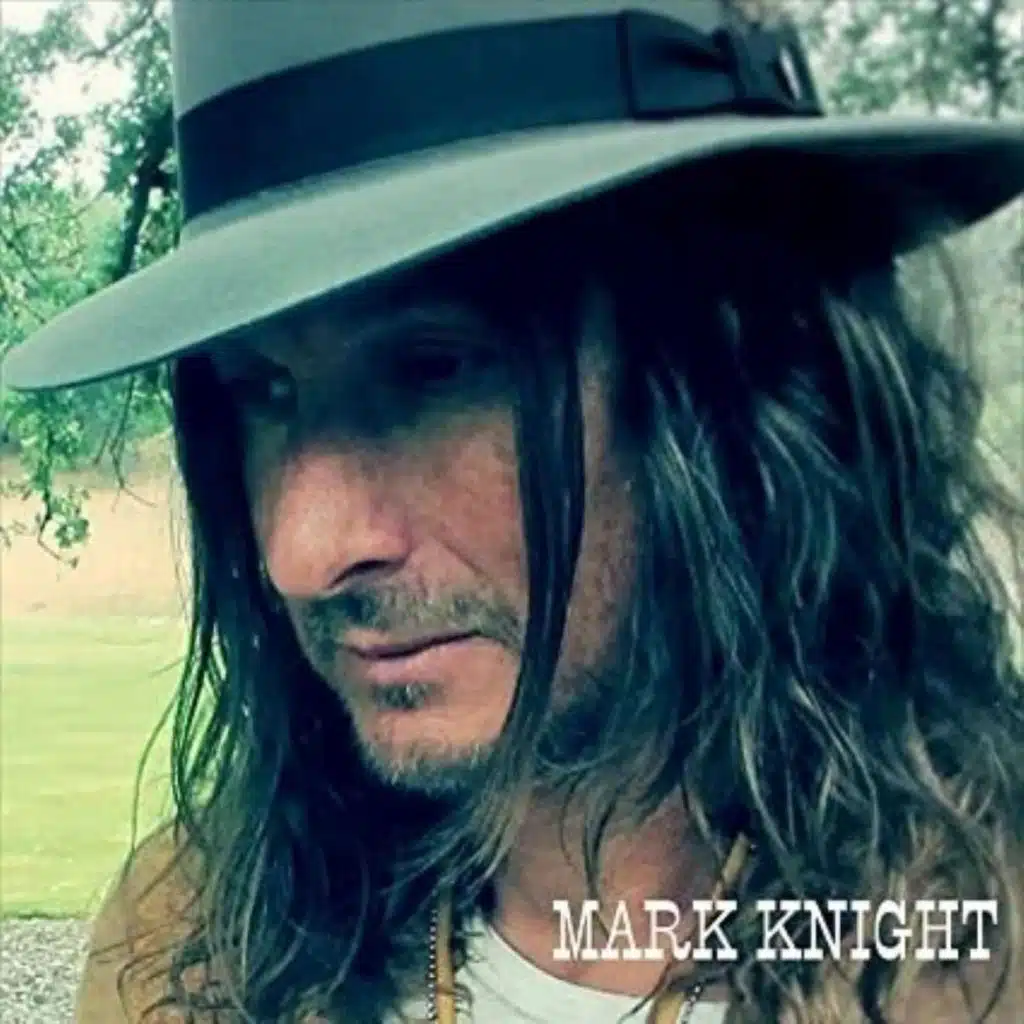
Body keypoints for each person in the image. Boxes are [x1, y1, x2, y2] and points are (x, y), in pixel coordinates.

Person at [5, 1, 1024, 1021]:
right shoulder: (182, 949)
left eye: (433, 368)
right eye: (265, 392)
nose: (299, 554)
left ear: (727, 377)